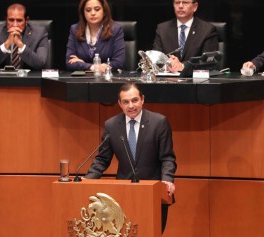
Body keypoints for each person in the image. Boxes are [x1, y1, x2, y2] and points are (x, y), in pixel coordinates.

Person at [85, 82, 177, 232]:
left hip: (153, 193)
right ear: (120, 104)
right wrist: (88, 181)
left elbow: (167, 157)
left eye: (135, 100)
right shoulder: (112, 125)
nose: (131, 106)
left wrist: (167, 179)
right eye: (126, 102)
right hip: (124, 193)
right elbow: (102, 159)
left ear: (142, 99)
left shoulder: (158, 122)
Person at [153, 0, 218, 72]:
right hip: (167, 80)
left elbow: (208, 61)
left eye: (185, 2)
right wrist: (168, 64)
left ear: (195, 7)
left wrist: (182, 66)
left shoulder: (207, 30)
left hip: (195, 81)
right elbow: (155, 58)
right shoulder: (162, 29)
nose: (180, 6)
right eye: (177, 3)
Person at [66, 0, 125, 73]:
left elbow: (118, 63)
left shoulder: (115, 30)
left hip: (108, 78)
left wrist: (84, 64)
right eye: (88, 10)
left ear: (104, 11)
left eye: (97, 9)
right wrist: (92, 67)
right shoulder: (75, 29)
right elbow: (69, 62)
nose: (93, 13)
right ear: (83, 13)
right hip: (81, 79)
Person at [0, 3, 48, 70]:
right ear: (6, 19)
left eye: (19, 20)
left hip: (29, 78)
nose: (15, 25)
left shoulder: (40, 33)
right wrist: (6, 44)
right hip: (3, 78)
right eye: (11, 20)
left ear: (26, 20)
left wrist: (21, 45)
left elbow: (40, 64)